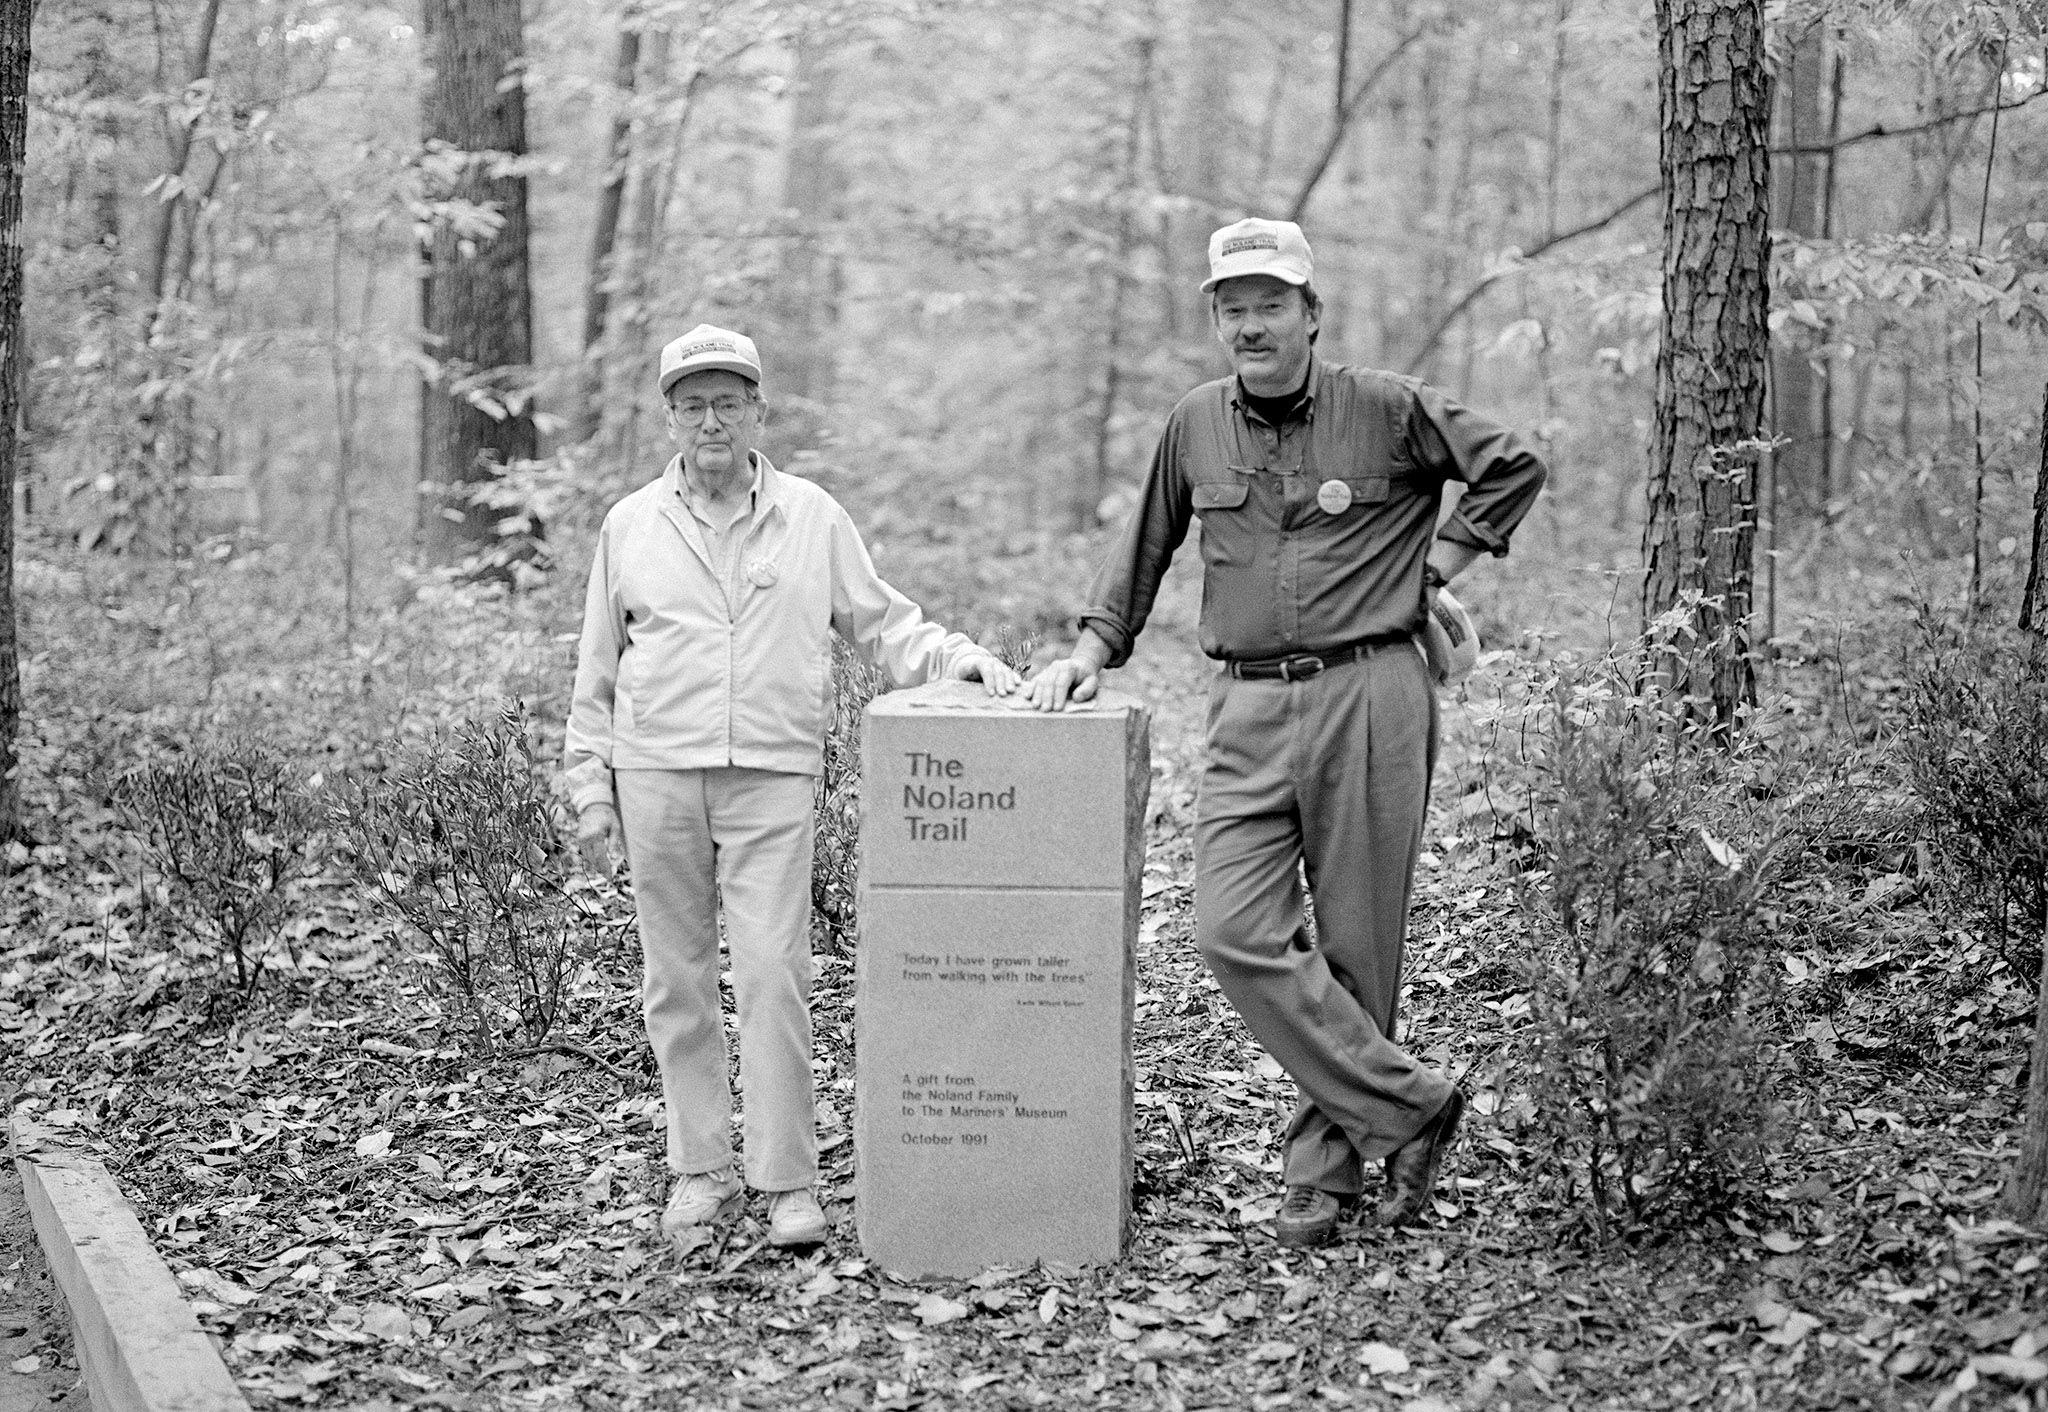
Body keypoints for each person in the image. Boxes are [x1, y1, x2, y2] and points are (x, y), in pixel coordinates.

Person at [1025, 219, 1548, 1246]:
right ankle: (1410, 1107)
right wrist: (1090, 649)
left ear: (1311, 313)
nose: (1249, 323)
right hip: (1245, 703)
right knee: (1229, 928)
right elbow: (1143, 543)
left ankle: (1324, 1177)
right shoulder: (1193, 424)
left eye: (1269, 303)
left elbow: (1512, 464)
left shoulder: (1387, 409)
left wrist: (1432, 569)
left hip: (1370, 690)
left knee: (1357, 944)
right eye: (1231, 307)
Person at [565, 324, 1019, 1248]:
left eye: (728, 401)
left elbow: (885, 624)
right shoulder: (630, 525)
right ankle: (699, 1171)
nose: (710, 420)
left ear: (758, 410)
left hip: (771, 777)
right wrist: (589, 785)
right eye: (692, 405)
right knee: (677, 983)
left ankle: (787, 1184)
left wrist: (962, 659)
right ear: (670, 419)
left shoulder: (811, 515)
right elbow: (596, 671)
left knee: (775, 975)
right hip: (655, 774)